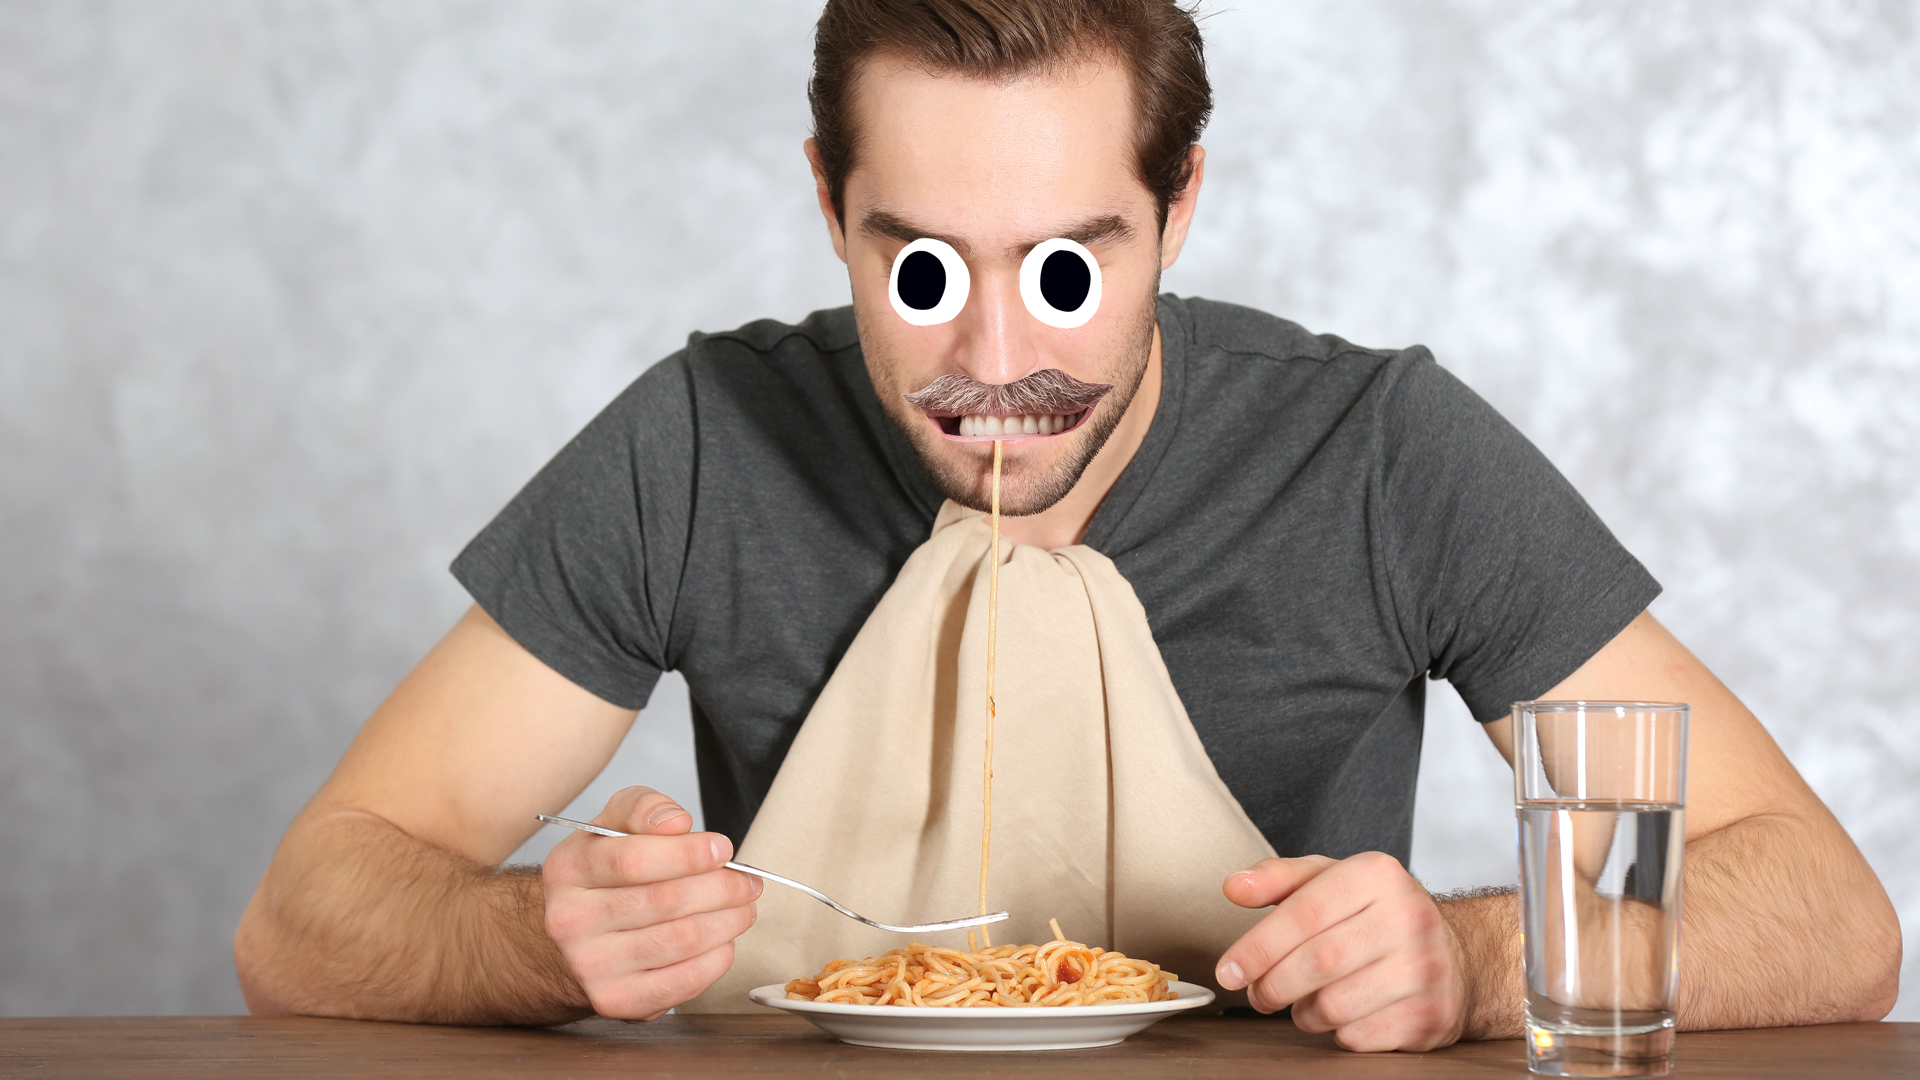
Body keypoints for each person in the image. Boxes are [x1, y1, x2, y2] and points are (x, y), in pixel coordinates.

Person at [234, 0, 1899, 1049]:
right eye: (921, 267)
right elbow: (302, 917)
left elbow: (1828, 913)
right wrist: (543, 938)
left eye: (1071, 269)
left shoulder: (1382, 452)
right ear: (828, 203)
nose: (996, 365)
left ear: (1179, 208)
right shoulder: (703, 441)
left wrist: (1473, 965)